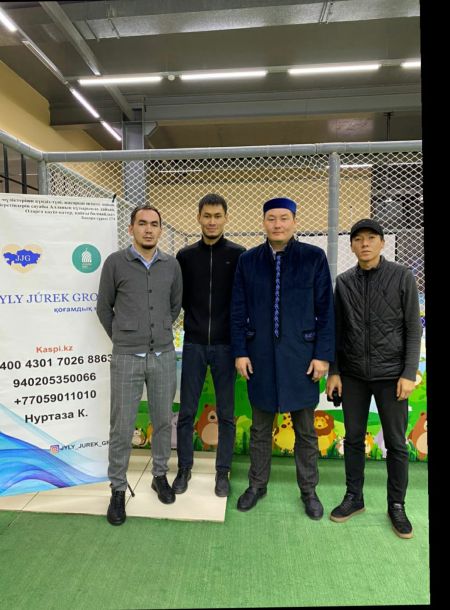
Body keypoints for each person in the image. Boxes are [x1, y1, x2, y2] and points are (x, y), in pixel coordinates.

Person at [230, 197, 335, 518]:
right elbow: (237, 310)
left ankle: (309, 491)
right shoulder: (248, 261)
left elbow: (326, 312)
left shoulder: (313, 258)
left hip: (301, 359)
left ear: (294, 221)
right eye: (272, 218)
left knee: (305, 431)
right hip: (259, 359)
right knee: (260, 429)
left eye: (284, 218)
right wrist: (240, 352)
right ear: (263, 222)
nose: (277, 224)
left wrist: (322, 356)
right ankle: (257, 485)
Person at [326, 218, 422, 539]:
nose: (365, 243)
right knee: (353, 438)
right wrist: (335, 372)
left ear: (382, 242)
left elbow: (413, 328)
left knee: (395, 443)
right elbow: (337, 332)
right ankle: (354, 497)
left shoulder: (402, 277)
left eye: (371, 238)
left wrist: (408, 372)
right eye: (358, 239)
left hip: (392, 376)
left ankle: (397, 505)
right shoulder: (343, 282)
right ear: (352, 245)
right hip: (353, 375)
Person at [97, 204, 182, 525]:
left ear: (161, 229)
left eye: (154, 224)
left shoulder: (171, 265)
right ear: (131, 228)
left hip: (163, 356)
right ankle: (118, 489)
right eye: (142, 223)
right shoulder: (115, 263)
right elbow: (104, 308)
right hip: (126, 358)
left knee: (162, 420)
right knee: (122, 426)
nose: (148, 229)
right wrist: (124, 337)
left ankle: (159, 475)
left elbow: (174, 306)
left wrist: (157, 332)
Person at [173, 193, 245, 497]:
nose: (212, 221)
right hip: (194, 344)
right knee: (187, 411)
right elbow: (179, 299)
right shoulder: (185, 256)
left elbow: (243, 301)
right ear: (199, 218)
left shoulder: (239, 254)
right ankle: (184, 469)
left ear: (226, 218)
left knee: (226, 414)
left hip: (227, 346)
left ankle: (222, 472)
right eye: (207, 216)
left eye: (217, 216)